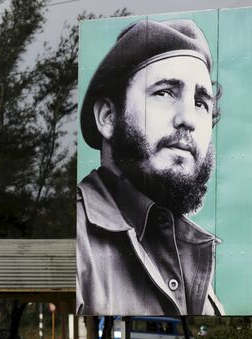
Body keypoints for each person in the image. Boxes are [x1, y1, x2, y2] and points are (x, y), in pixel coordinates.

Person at [76, 18, 225, 315]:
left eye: (200, 102)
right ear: (108, 117)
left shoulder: (196, 265)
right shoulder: (75, 243)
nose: (189, 119)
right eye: (165, 92)